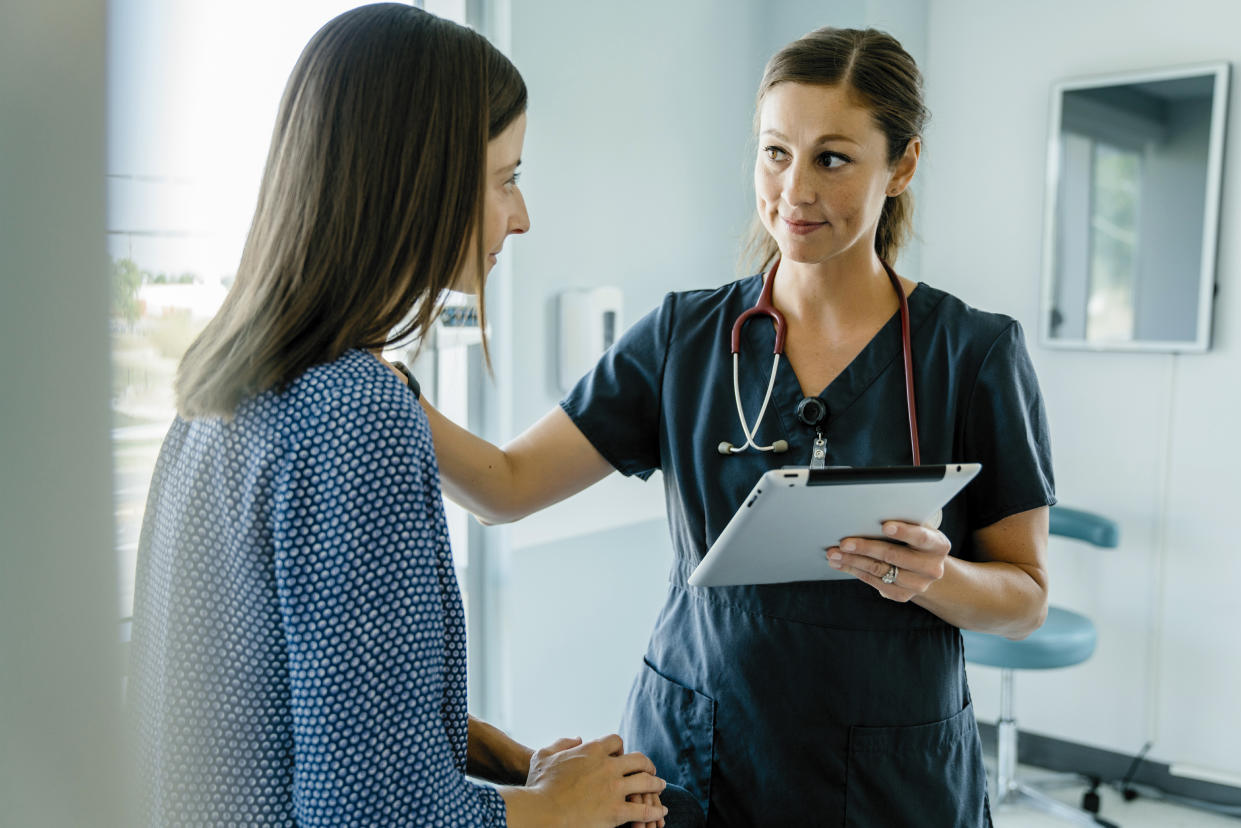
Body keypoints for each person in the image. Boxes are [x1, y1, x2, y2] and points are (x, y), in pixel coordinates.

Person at [419, 26, 1055, 826]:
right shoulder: (683, 338)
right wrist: (383, 384)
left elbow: (1025, 598)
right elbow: (503, 488)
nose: (794, 190)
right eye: (774, 153)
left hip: (895, 778)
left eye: (832, 158)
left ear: (901, 165)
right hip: (698, 758)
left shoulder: (972, 354)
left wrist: (939, 579)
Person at [127, 5, 675, 826]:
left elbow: (297, 707)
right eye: (506, 178)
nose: (519, 218)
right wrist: (559, 810)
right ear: (421, 178)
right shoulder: (356, 414)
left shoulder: (223, 386)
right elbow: (374, 813)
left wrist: (513, 762)